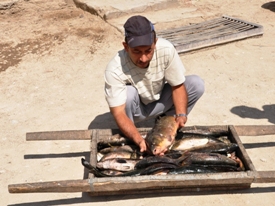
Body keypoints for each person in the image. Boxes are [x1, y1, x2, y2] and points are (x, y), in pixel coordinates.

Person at [104, 15, 204, 155]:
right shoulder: (114, 68)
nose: (143, 58)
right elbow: (119, 112)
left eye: (148, 51)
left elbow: (177, 86)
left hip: (160, 101)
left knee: (196, 84)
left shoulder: (166, 49)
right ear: (126, 47)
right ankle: (130, 137)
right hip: (136, 110)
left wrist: (181, 114)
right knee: (128, 93)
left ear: (155, 43)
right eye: (137, 52)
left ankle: (164, 124)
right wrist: (138, 140)